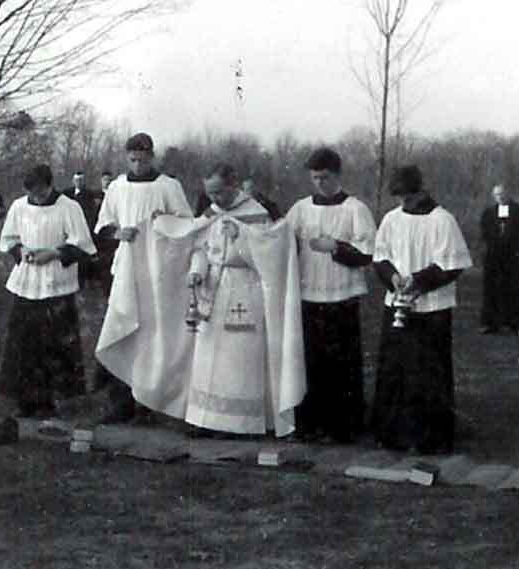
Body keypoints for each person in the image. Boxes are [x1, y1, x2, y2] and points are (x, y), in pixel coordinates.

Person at [95, 162, 306, 436]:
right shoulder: (213, 212)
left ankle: (238, 424)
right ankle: (206, 420)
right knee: (206, 359)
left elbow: (270, 256)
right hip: (211, 291)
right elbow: (201, 247)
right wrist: (196, 271)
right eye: (210, 193)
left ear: (233, 185)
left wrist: (243, 237)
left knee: (238, 361)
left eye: (219, 192)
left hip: (244, 290)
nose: (214, 199)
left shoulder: (256, 214)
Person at [372, 165, 472, 454]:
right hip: (398, 303)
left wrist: (417, 281)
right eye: (399, 198)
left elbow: (451, 266)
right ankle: (392, 433)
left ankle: (430, 437)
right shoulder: (391, 219)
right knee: (394, 370)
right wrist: (392, 278)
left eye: (407, 197)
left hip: (431, 308)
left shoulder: (442, 220)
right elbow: (381, 257)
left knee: (428, 372)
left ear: (420, 191)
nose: (403, 203)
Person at [93, 132, 193, 423]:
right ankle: (120, 403)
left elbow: (187, 225)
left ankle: (148, 404)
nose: (138, 165)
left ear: (152, 156)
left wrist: (165, 222)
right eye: (133, 159)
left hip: (157, 271)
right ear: (127, 158)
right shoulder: (116, 187)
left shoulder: (169, 186)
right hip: (125, 268)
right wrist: (117, 232)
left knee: (152, 336)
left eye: (143, 159)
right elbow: (102, 225)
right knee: (123, 330)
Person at [286, 147, 376, 443]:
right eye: (314, 178)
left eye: (325, 177)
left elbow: (369, 253)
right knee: (312, 362)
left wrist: (337, 247)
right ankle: (312, 423)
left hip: (342, 295)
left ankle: (343, 426)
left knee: (342, 364)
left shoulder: (355, 209)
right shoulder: (300, 209)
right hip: (310, 293)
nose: (319, 183)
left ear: (337, 175)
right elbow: (281, 239)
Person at [0, 164, 96, 418]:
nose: (35, 197)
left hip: (56, 284)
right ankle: (24, 399)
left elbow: (83, 245)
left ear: (50, 185)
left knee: (53, 343)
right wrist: (22, 252)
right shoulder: (19, 206)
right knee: (24, 342)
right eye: (31, 192)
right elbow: (8, 239)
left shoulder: (69, 207)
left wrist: (53, 253)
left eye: (40, 192)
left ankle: (50, 401)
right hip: (28, 282)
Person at [479, 183, 519, 334]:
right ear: (493, 196)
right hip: (494, 258)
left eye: (502, 194)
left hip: (514, 257)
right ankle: (492, 323)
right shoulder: (488, 213)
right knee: (493, 290)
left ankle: (515, 323)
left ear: (508, 194)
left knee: (514, 289)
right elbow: (485, 233)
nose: (500, 197)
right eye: (497, 195)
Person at [63, 171, 99, 287]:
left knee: (84, 254)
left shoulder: (89, 194)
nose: (79, 183)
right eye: (77, 180)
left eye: (81, 180)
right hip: (69, 226)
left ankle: (85, 280)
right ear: (73, 181)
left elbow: (92, 212)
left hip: (84, 226)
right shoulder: (67, 193)